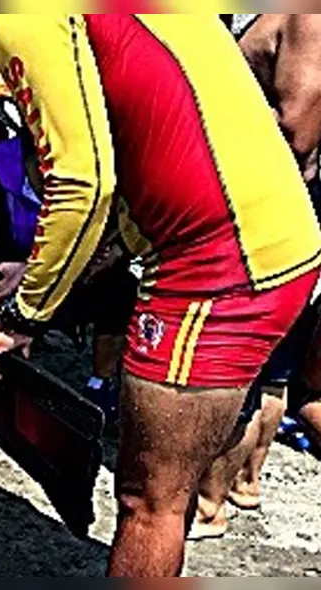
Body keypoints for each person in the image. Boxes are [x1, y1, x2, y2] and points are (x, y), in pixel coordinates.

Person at [0, 14, 321, 577]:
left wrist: (22, 320)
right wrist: (37, 277)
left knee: (149, 501)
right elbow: (132, 169)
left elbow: (82, 183)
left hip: (222, 265)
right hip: (264, 240)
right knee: (166, 493)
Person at [192, 14, 321, 538]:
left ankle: (208, 504)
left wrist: (215, 115)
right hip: (286, 209)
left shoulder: (309, 17)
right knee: (275, 370)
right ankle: (242, 485)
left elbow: (297, 132)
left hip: (275, 212)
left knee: (247, 366)